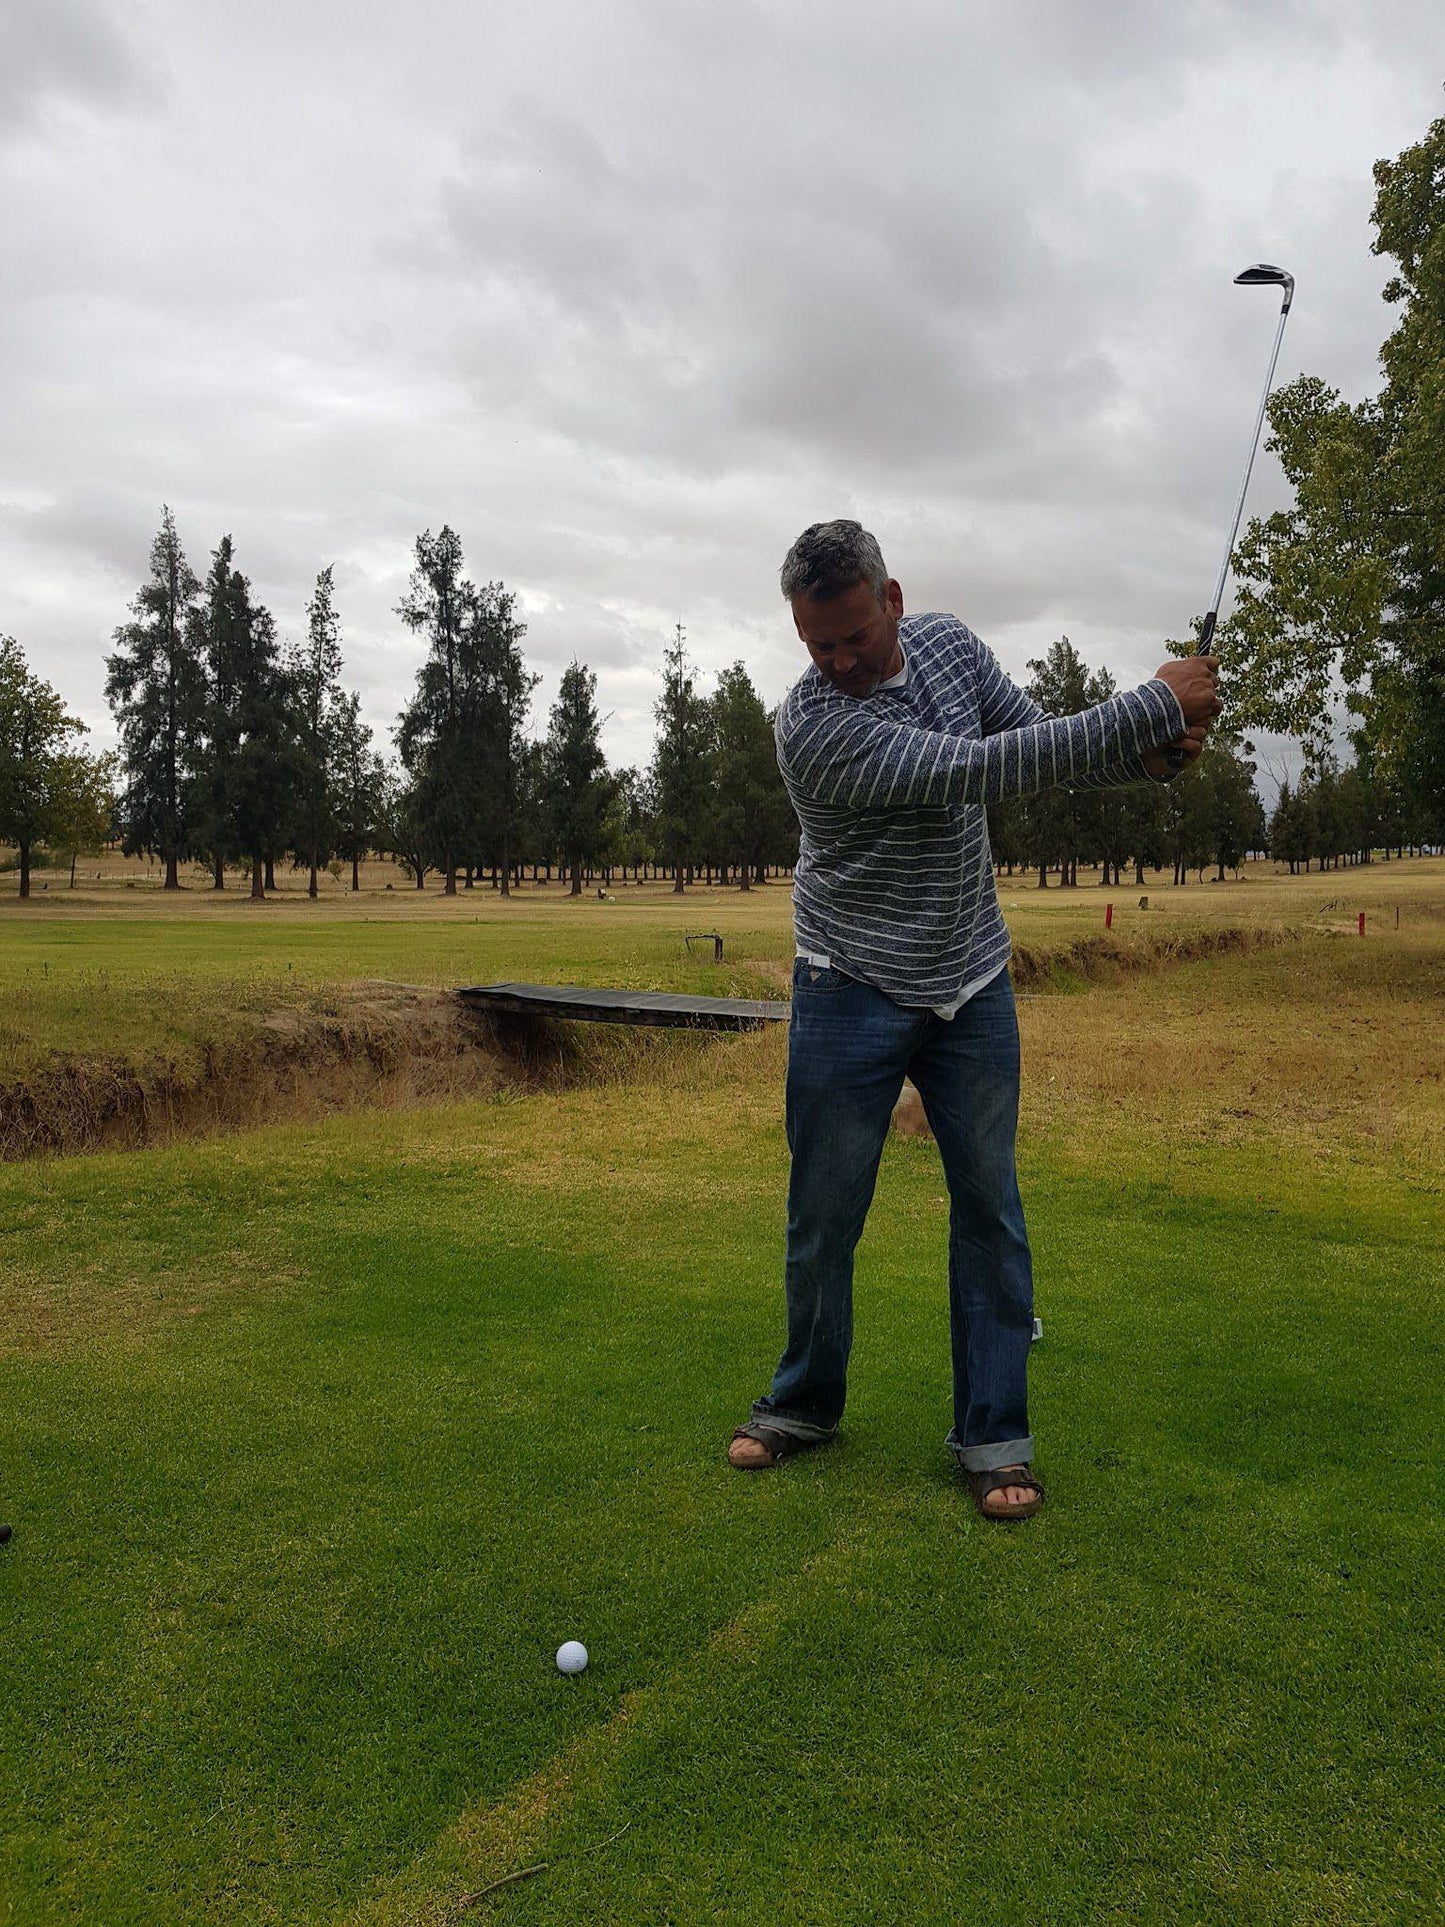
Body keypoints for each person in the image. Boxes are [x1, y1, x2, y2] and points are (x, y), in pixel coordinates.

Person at [729, 520, 1220, 1521]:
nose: (834, 659)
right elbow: (984, 771)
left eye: (851, 635)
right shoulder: (815, 730)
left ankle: (994, 1436)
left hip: (968, 979)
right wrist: (1152, 700)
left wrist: (1153, 755)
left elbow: (1036, 739)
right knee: (822, 1217)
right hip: (847, 981)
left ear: (893, 601)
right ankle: (802, 1403)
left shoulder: (950, 646)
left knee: (990, 1207)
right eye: (814, 643)